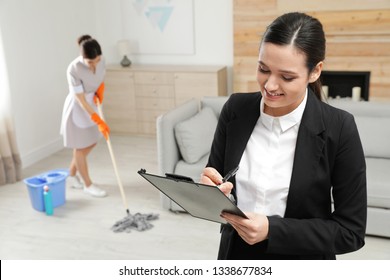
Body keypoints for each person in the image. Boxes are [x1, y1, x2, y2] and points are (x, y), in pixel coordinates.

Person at [200, 12, 367, 259]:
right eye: (263, 69)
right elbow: (217, 178)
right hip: (235, 257)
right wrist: (210, 190)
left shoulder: (340, 127)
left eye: (286, 77)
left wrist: (272, 229)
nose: (269, 86)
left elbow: (350, 232)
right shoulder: (235, 109)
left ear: (315, 71)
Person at [60, 35, 109, 198]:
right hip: (78, 109)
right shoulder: (73, 69)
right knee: (79, 147)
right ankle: (87, 185)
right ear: (83, 57)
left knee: (92, 142)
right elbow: (80, 100)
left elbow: (100, 79)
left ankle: (72, 175)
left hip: (93, 103)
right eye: (90, 62)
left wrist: (99, 92)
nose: (94, 64)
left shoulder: (101, 60)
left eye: (97, 60)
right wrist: (96, 118)